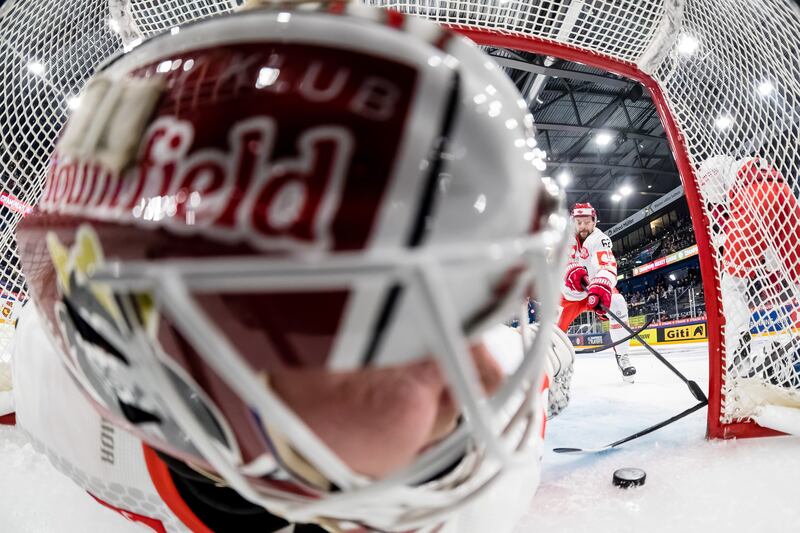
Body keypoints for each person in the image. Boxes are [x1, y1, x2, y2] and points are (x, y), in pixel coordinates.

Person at [10, 3, 574, 532]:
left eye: (457, 313)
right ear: (184, 381)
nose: (489, 385)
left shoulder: (481, 464)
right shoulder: (59, 394)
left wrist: (548, 357)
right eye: (396, 342)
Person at [557, 203, 636, 382]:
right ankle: (547, 365)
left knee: (618, 303)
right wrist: (568, 270)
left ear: (594, 222)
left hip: (594, 289)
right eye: (579, 222)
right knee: (552, 329)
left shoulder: (601, 239)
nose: (583, 226)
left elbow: (607, 265)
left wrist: (601, 284)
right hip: (570, 293)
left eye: (587, 222)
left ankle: (623, 356)